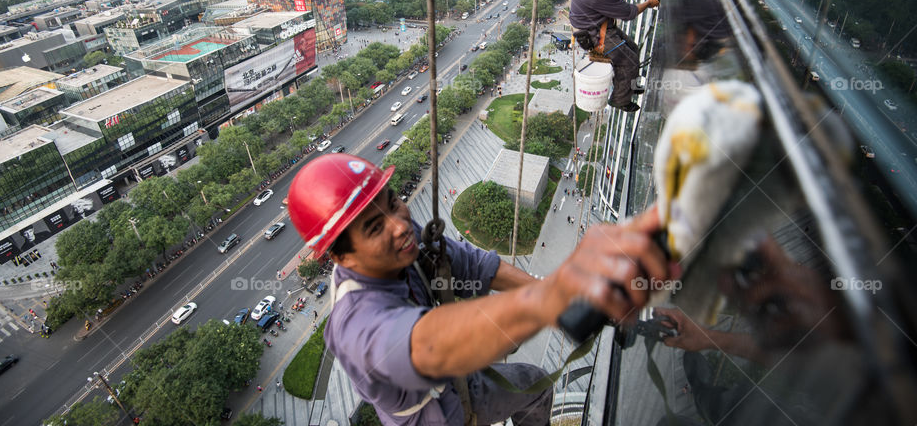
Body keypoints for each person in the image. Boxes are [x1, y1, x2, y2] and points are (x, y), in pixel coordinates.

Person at [286, 154, 672, 426]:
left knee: (534, 386)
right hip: (435, 416)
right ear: (342, 258)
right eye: (374, 227)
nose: (400, 224)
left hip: (459, 388)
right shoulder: (354, 325)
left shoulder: (407, 243)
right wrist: (551, 296)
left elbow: (475, 265)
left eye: (394, 203)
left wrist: (568, 296)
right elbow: (429, 346)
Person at [568, 0, 665, 112]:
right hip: (592, 33)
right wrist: (649, 4)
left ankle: (631, 86)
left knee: (633, 49)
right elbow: (629, 13)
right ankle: (620, 100)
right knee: (629, 61)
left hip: (598, 23)